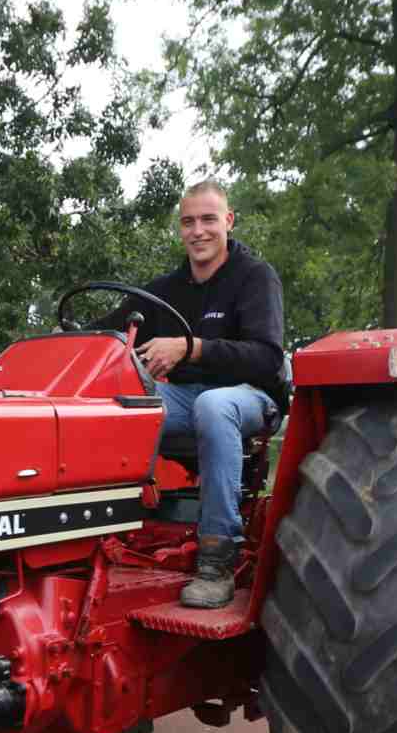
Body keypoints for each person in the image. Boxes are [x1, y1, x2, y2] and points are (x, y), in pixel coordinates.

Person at [111, 180, 289, 609]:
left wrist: (190, 348)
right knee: (118, 405)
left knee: (214, 405)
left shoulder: (254, 277)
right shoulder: (164, 291)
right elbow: (106, 334)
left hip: (253, 396)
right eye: (189, 222)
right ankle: (110, 530)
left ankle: (217, 558)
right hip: (186, 397)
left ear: (228, 221)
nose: (198, 231)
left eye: (208, 219)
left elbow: (267, 358)